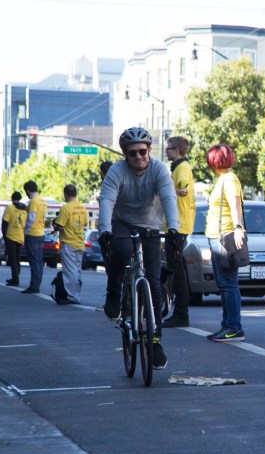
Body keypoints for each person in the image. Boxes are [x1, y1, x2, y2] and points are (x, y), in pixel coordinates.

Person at [98, 127, 180, 370]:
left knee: (154, 283)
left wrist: (174, 229)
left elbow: (168, 198)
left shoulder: (159, 170)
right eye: (132, 153)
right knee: (121, 249)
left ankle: (155, 342)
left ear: (149, 150)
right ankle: (114, 292)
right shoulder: (116, 171)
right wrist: (104, 231)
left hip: (151, 225)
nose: (138, 157)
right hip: (122, 222)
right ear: (125, 154)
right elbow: (107, 200)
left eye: (142, 152)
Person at [204, 144, 246, 342]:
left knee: (228, 284)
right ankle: (227, 325)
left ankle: (233, 327)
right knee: (224, 284)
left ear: (214, 160)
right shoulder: (223, 179)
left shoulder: (229, 179)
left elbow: (234, 204)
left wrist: (238, 227)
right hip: (217, 236)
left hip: (224, 237)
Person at [163, 135, 196, 328]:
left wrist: (168, 188)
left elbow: (182, 189)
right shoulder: (180, 167)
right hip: (177, 225)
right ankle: (179, 312)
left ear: (176, 150)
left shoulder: (182, 168)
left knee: (178, 271)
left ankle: (181, 315)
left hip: (178, 226)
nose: (166, 150)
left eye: (168, 148)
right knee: (176, 269)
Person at [53, 184, 88, 304]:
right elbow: (83, 224)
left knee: (70, 271)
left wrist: (55, 225)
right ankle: (76, 293)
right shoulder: (82, 208)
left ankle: (73, 296)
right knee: (77, 270)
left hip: (68, 242)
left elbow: (60, 226)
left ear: (65, 194)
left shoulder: (66, 208)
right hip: (79, 242)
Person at [21, 180, 48, 294]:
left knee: (34, 261)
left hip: (33, 233)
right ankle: (37, 283)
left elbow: (31, 218)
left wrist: (25, 232)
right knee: (39, 260)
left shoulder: (33, 201)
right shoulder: (42, 201)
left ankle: (34, 285)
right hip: (41, 232)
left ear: (27, 190)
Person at [1, 191, 27, 286]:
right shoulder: (24, 210)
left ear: (12, 199)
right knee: (17, 258)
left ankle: (15, 279)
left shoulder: (10, 208)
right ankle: (15, 277)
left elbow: (5, 223)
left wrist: (4, 235)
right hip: (20, 236)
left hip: (11, 236)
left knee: (12, 259)